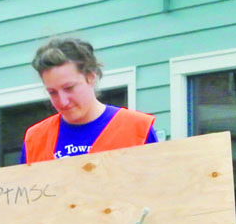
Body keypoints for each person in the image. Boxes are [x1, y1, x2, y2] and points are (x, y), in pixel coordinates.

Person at [21, 37, 156, 163]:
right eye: (52, 92)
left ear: (91, 77)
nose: (63, 101)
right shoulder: (35, 140)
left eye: (69, 88)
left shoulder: (137, 128)